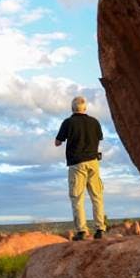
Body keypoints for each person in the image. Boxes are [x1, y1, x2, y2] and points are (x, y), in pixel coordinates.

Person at [55, 96, 107, 240]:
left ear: (72, 108)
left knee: (77, 198)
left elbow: (57, 142)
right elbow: (99, 138)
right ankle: (100, 229)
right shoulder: (94, 122)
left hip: (77, 163)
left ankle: (82, 231)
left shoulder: (68, 122)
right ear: (85, 108)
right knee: (97, 196)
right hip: (93, 162)